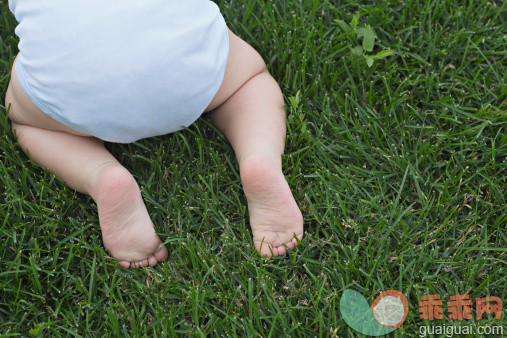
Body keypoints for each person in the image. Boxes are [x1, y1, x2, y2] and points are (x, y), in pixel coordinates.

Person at [4, 0, 304, 268]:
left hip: (72, 87)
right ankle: (259, 158)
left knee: (24, 116)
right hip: (185, 65)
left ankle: (102, 175)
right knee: (247, 82)